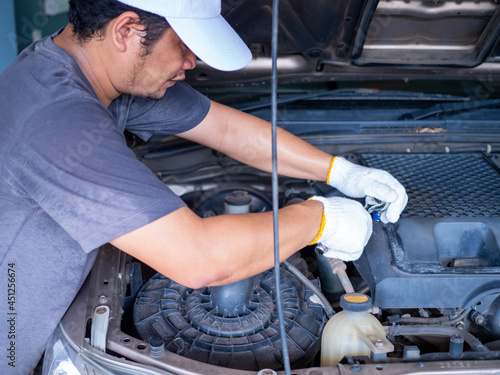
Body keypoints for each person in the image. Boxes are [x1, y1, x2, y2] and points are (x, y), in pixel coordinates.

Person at [0, 0, 407, 373]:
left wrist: (340, 172)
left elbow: (226, 128)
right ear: (126, 31)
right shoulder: (55, 118)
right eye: (184, 45)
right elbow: (198, 259)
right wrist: (318, 218)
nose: (193, 62)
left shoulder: (97, 76)